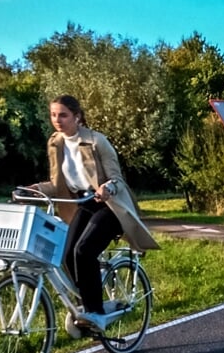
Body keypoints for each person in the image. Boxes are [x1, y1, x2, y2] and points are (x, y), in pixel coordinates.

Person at [33, 95, 160, 330]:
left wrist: (107, 188)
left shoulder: (96, 141)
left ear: (77, 116)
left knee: (84, 250)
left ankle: (96, 312)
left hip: (111, 205)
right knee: (66, 252)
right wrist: (35, 189)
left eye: (63, 115)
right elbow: (58, 183)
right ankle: (87, 305)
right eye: (53, 115)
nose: (57, 120)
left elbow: (117, 179)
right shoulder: (55, 143)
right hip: (85, 202)